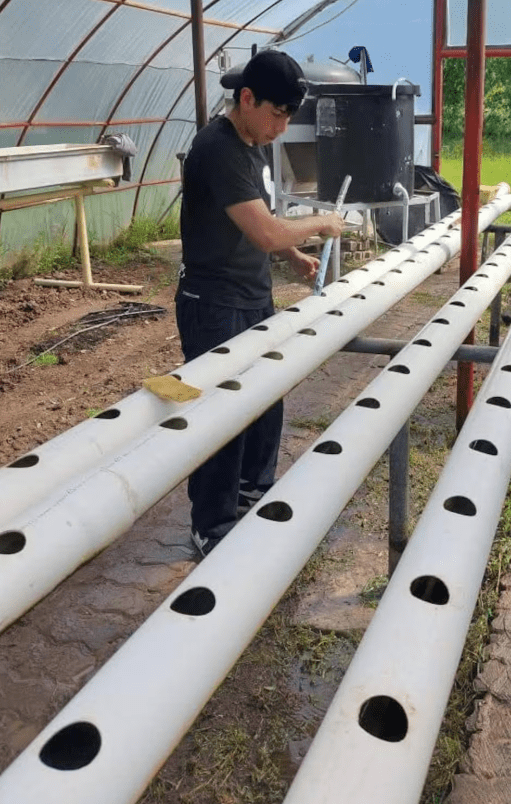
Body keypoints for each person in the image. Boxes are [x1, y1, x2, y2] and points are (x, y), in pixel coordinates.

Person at [177, 49, 344, 558]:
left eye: (290, 116)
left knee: (265, 399)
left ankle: (253, 490)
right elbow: (266, 230)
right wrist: (317, 225)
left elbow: (255, 223)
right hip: (214, 302)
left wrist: (292, 255)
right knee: (223, 415)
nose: (282, 126)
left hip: (251, 294)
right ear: (246, 99)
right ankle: (212, 523)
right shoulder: (219, 148)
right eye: (277, 114)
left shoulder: (251, 144)